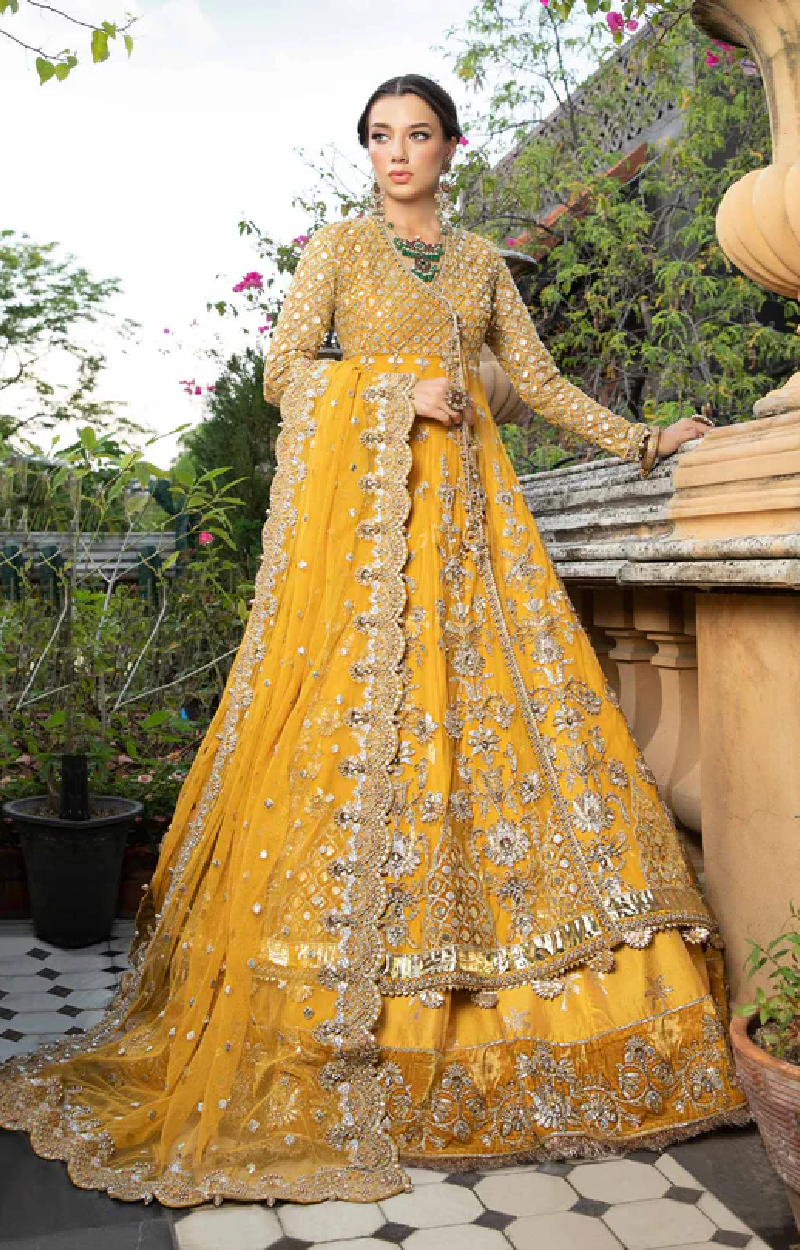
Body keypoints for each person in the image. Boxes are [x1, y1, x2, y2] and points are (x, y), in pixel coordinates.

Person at [0, 73, 748, 1208]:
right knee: (364, 740)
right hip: (363, 550)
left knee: (494, 734)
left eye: (416, 136)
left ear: (451, 147)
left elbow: (536, 381)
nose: (395, 154)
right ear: (366, 152)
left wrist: (647, 437)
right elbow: (287, 372)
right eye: (378, 138)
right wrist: (399, 396)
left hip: (471, 542)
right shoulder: (338, 250)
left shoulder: (482, 262)